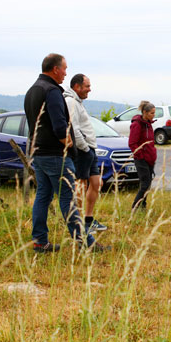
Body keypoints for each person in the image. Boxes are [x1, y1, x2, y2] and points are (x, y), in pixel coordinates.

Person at [24, 53, 108, 253]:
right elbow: (60, 125)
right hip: (55, 154)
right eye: (64, 69)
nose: (65, 74)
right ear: (55, 69)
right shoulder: (52, 91)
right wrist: (68, 143)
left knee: (42, 196)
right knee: (67, 199)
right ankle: (85, 243)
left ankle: (39, 241)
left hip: (39, 152)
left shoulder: (32, 90)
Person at [63, 73, 107, 233]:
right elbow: (73, 128)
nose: (90, 89)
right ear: (77, 87)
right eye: (87, 86)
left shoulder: (78, 102)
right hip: (83, 150)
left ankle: (88, 220)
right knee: (81, 185)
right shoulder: (70, 102)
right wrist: (85, 148)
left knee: (96, 184)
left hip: (90, 149)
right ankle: (78, 222)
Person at [129, 101, 158, 211]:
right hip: (141, 159)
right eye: (151, 113)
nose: (153, 115)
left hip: (150, 158)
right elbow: (132, 143)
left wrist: (152, 154)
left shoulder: (149, 124)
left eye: (154, 113)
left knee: (147, 184)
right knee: (145, 183)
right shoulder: (136, 124)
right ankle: (135, 207)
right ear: (144, 112)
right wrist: (140, 156)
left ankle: (143, 206)